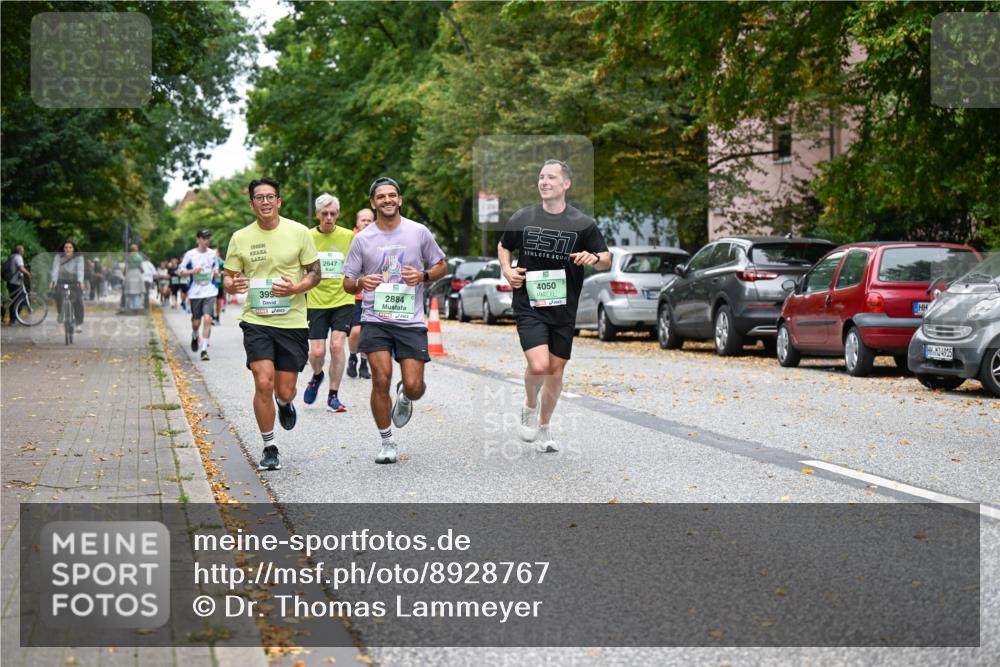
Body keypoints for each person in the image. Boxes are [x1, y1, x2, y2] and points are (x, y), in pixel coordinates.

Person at [498, 159, 610, 453]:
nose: (544, 182)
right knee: (539, 365)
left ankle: (545, 427)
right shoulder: (524, 217)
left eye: (551, 177)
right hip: (529, 304)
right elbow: (504, 245)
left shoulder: (582, 223)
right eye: (541, 177)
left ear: (565, 184)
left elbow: (606, 256)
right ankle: (529, 405)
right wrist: (507, 270)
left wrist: (594, 258)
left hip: (564, 307)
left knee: (556, 373)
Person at [343, 177, 446, 464]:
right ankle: (387, 441)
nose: (387, 200)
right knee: (380, 378)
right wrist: (362, 281)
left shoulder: (418, 232)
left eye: (392, 195)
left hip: (410, 321)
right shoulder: (363, 239)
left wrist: (423, 276)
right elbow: (348, 283)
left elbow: (441, 265)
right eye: (381, 197)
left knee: (414, 386)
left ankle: (404, 396)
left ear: (399, 200)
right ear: (373, 202)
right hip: (375, 318)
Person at [223, 177, 320, 471]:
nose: (265, 202)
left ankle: (285, 404)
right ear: (251, 204)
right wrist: (233, 284)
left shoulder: (299, 232)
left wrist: (296, 288)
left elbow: (315, 272)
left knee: (285, 390)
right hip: (257, 320)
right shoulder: (240, 238)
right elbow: (228, 277)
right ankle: (269, 446)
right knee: (263, 381)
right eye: (259, 198)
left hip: (291, 321)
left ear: (278, 201)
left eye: (270, 197)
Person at [303, 193, 356, 412]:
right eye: (324, 213)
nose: (328, 217)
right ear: (317, 214)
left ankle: (333, 395)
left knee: (336, 346)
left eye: (333, 213)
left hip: (343, 299)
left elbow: (358, 262)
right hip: (316, 300)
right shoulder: (306, 236)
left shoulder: (348, 236)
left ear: (338, 214)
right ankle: (317, 375)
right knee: (317, 353)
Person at [179, 229, 220, 361]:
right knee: (196, 322)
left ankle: (203, 350)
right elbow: (181, 271)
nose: (206, 240)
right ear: (198, 239)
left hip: (210, 290)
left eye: (208, 238)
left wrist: (217, 272)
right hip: (195, 293)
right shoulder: (190, 254)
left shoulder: (213, 254)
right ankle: (195, 334)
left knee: (208, 319)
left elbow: (216, 268)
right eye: (203, 238)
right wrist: (192, 271)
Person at [347, 208, 375, 379]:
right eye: (363, 220)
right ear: (357, 222)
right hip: (355, 295)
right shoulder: (350, 238)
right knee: (356, 331)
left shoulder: (379, 237)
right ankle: (352, 357)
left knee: (368, 332)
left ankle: (364, 363)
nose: (366, 223)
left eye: (369, 220)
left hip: (373, 295)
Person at [50, 240, 86, 331]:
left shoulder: (79, 257)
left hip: (74, 281)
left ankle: (78, 323)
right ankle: (61, 315)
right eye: (66, 247)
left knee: (78, 300)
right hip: (61, 281)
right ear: (63, 249)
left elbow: (80, 270)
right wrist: (53, 281)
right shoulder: (58, 257)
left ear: (74, 249)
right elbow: (55, 269)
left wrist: (80, 281)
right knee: (59, 297)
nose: (68, 249)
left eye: (70, 247)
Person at [3, 245, 31, 324]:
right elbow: (21, 268)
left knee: (13, 301)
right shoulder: (18, 257)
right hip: (15, 283)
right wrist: (29, 274)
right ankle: (13, 318)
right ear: (20, 251)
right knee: (20, 301)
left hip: (10, 282)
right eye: (23, 250)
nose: (23, 251)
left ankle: (12, 320)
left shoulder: (11, 257)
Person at [124, 244, 144, 312]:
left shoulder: (128, 257)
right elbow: (141, 267)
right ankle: (136, 306)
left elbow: (126, 267)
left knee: (131, 291)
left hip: (130, 273)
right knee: (137, 292)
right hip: (137, 273)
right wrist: (142, 271)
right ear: (137, 249)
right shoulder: (139, 257)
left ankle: (132, 306)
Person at [212, 244, 225, 324]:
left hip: (219, 284)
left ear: (218, 253)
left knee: (218, 302)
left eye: (215, 253)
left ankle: (217, 317)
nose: (214, 254)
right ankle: (212, 316)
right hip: (211, 285)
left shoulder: (222, 262)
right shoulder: (210, 262)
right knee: (211, 301)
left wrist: (220, 272)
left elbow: (227, 272)